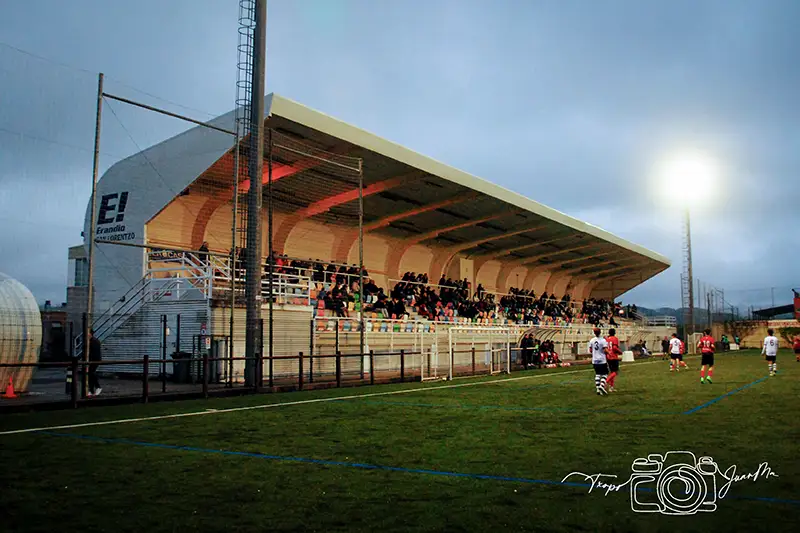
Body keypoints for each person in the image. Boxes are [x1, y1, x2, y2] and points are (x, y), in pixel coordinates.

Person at [588, 327, 609, 396]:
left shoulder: (592, 340)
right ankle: (601, 386)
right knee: (605, 373)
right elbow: (605, 350)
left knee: (597, 374)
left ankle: (597, 389)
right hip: (602, 359)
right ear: (600, 332)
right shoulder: (603, 340)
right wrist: (608, 352)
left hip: (595, 360)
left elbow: (590, 350)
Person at [605, 328, 622, 392]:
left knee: (612, 372)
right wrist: (620, 352)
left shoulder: (607, 339)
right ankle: (605, 382)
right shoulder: (615, 339)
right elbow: (614, 348)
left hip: (608, 357)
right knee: (615, 372)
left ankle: (611, 387)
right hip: (614, 357)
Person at [87, 329, 102, 397]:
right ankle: (91, 390)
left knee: (91, 373)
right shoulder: (90, 341)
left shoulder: (94, 341)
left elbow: (94, 353)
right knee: (90, 374)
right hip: (92, 360)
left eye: (88, 333)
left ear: (90, 334)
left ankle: (97, 387)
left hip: (94, 360)